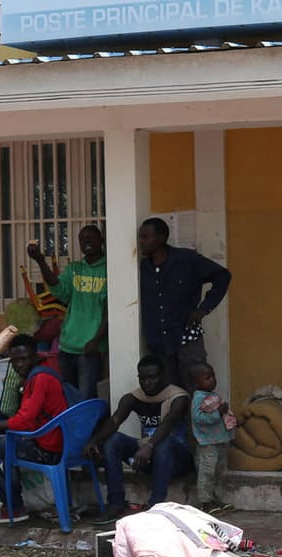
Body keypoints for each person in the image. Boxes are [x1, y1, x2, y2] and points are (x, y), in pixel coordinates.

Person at [0, 335, 69, 525]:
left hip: (46, 448)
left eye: (24, 359)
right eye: (15, 360)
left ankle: (13, 507)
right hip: (54, 441)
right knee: (8, 443)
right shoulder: (43, 373)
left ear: (35, 357)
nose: (19, 365)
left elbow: (24, 420)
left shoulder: (39, 378)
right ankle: (13, 505)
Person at [87, 355, 192, 517]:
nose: (147, 383)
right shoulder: (133, 398)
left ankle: (155, 505)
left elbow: (168, 424)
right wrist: (94, 440)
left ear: (163, 376)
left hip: (177, 460)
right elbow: (115, 421)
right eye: (142, 378)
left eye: (152, 377)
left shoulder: (178, 397)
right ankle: (116, 503)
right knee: (113, 440)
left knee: (163, 443)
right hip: (148, 457)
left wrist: (149, 446)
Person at [137, 217, 231, 388]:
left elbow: (222, 276)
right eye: (140, 237)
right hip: (159, 341)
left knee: (197, 387)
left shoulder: (187, 260)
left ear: (161, 238)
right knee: (171, 392)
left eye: (145, 237)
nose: (141, 241)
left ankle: (199, 416)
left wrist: (204, 309)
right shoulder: (142, 267)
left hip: (186, 336)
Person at [27, 225, 108, 398]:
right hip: (67, 347)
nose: (86, 241)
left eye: (91, 237)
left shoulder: (109, 270)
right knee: (67, 397)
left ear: (101, 241)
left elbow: (110, 311)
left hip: (90, 349)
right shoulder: (75, 269)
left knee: (86, 398)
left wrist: (97, 340)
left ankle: (87, 426)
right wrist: (41, 260)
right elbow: (57, 288)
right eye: (82, 239)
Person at [187, 361, 233, 513]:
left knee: (219, 472)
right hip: (207, 444)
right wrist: (217, 413)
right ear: (196, 383)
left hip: (219, 441)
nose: (212, 380)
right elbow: (198, 418)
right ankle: (205, 502)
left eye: (213, 376)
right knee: (206, 472)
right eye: (207, 377)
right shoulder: (198, 398)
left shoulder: (212, 395)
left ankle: (215, 499)